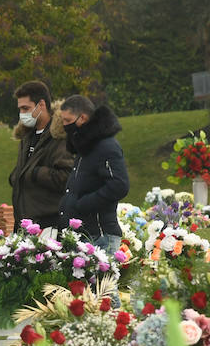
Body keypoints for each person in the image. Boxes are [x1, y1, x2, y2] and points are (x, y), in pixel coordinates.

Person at [59, 95, 129, 255]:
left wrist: (83, 204)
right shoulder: (85, 148)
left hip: (100, 237)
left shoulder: (106, 146)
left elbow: (119, 186)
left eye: (67, 120)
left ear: (82, 118)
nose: (64, 126)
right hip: (86, 236)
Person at [7, 81, 74, 231]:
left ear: (41, 104)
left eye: (26, 108)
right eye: (20, 109)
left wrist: (35, 173)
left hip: (50, 226)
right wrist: (16, 176)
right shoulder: (27, 136)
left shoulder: (59, 136)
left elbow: (66, 177)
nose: (22, 114)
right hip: (25, 226)